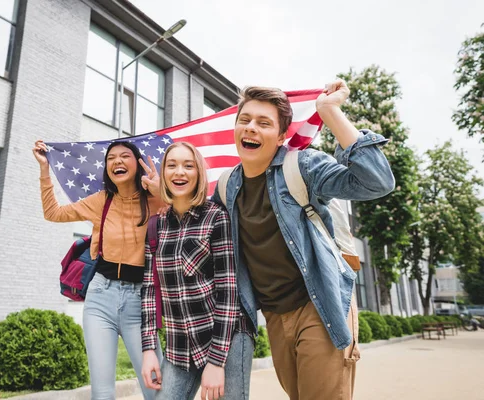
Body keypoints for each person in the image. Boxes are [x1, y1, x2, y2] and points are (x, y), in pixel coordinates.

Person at [212, 80, 395, 400]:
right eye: (245, 120)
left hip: (319, 305)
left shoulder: (302, 165)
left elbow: (376, 182)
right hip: (274, 316)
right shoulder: (227, 186)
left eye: (263, 123)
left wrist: (330, 112)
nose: (251, 128)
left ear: (282, 135)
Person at [33, 139, 163, 400]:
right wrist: (45, 170)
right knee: (102, 392)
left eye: (124, 156)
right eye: (111, 158)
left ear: (138, 164)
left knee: (157, 389)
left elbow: (188, 212)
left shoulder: (156, 202)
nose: (117, 161)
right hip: (100, 297)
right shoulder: (101, 200)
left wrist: (160, 192)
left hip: (140, 301)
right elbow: (53, 213)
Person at [140, 142, 253, 400]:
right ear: (164, 173)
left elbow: (228, 292)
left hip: (227, 339)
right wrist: (148, 349)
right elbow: (148, 291)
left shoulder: (216, 217)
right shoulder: (155, 227)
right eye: (172, 165)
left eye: (188, 165)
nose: (180, 172)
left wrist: (216, 362)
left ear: (199, 173)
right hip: (179, 345)